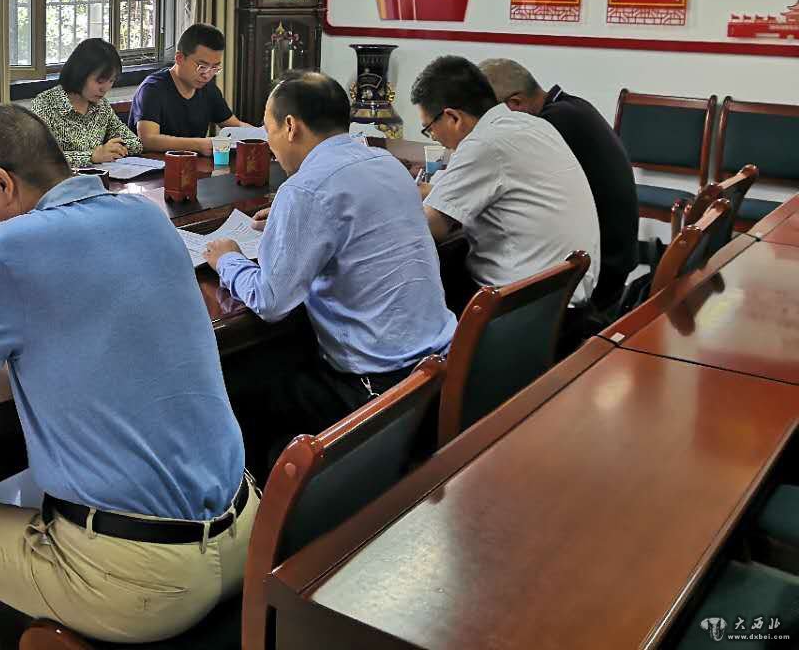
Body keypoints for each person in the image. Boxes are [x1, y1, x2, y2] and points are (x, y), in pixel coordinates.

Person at [0, 104, 254, 650]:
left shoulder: (10, 245)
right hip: (247, 532)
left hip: (145, 580)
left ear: (0, 183)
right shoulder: (146, 214)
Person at [202, 71, 455, 452]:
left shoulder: (305, 189)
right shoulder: (386, 163)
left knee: (237, 386)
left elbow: (271, 301)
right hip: (440, 365)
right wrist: (290, 218)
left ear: (291, 126)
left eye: (269, 130)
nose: (270, 144)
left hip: (376, 387)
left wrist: (228, 259)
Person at [411, 55, 601, 305]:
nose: (433, 137)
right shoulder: (530, 124)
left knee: (420, 285)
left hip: (526, 307)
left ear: (453, 117)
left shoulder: (483, 144)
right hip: (566, 291)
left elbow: (431, 226)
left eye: (429, 129)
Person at [479, 59, 639, 313]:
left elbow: (498, 189)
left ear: (514, 104)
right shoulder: (572, 106)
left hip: (598, 274)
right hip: (617, 258)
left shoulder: (551, 125)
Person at [128, 23, 253, 154]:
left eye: (214, 68)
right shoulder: (152, 89)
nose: (207, 75)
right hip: (154, 164)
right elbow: (147, 140)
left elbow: (235, 125)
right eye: (202, 66)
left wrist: (261, 134)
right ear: (179, 58)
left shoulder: (209, 89)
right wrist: (198, 145)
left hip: (194, 164)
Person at [28, 37, 143, 168]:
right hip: (61, 179)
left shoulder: (101, 106)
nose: (105, 88)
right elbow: (38, 158)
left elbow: (135, 142)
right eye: (100, 81)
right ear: (80, 74)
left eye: (111, 81)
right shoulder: (45, 105)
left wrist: (117, 148)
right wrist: (91, 157)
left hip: (102, 177)